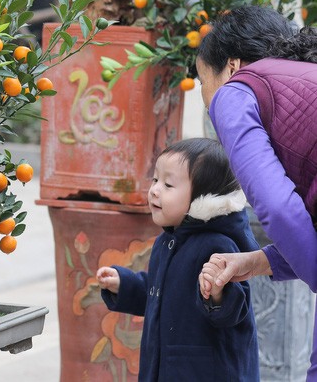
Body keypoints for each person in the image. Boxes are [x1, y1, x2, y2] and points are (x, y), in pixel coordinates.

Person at [194, 5, 317, 379]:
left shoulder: (235, 92)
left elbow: (278, 209)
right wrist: (255, 262)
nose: (206, 96)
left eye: (203, 82)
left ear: (231, 67)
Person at [97, 138, 260, 381]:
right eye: (155, 180)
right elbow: (161, 295)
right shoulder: (167, 242)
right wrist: (125, 284)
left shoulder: (219, 245)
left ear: (202, 199)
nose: (155, 189)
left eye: (168, 184)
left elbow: (234, 310)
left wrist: (217, 293)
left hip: (208, 372)